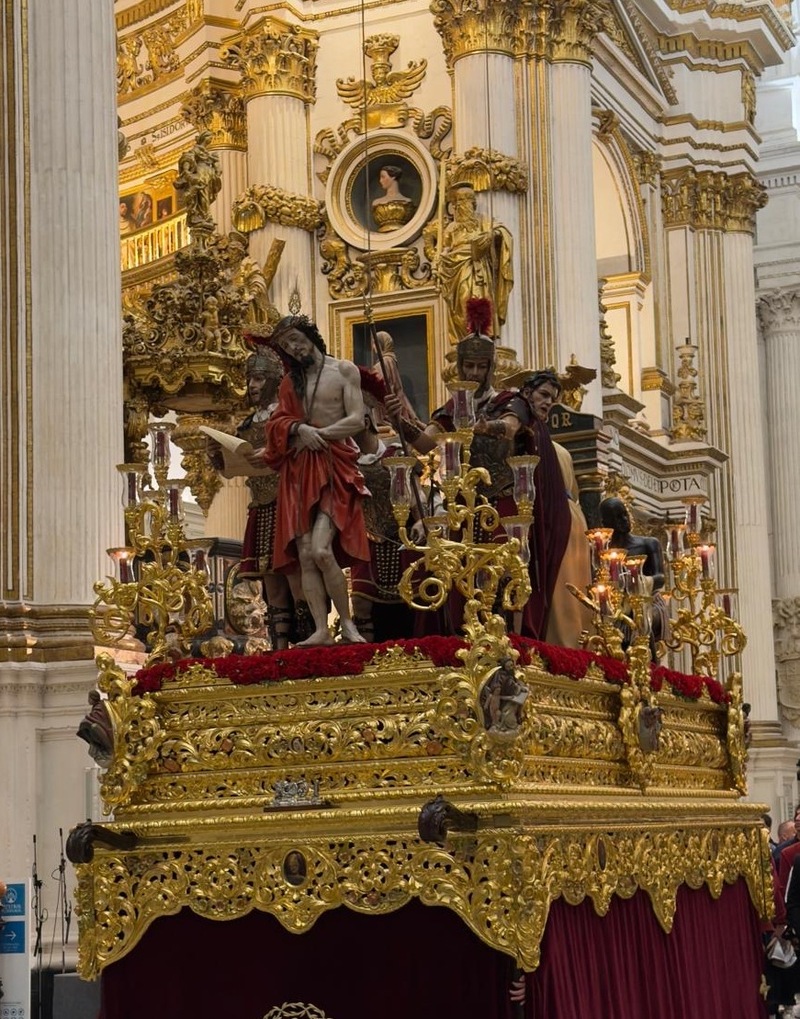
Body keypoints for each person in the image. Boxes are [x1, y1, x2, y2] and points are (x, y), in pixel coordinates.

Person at [386, 300, 540, 635]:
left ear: (490, 368)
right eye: (467, 367)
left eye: (479, 367)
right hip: (463, 504)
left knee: (506, 571)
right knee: (458, 573)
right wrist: (400, 419)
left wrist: (474, 425)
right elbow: (425, 443)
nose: (472, 373)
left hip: (503, 501)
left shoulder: (510, 402)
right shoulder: (450, 409)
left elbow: (511, 428)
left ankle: (508, 635)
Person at [265, 315, 370, 646]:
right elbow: (277, 422)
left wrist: (319, 435)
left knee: (323, 551)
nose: (294, 348)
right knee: (307, 554)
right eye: (286, 346)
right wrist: (299, 429)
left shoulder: (343, 371)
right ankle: (320, 629)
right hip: (299, 471)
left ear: (310, 335)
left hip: (334, 462)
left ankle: (348, 624)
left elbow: (356, 420)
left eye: (296, 339)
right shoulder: (289, 383)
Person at [208, 335, 311, 649]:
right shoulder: (247, 423)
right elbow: (231, 469)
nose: (251, 385)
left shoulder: (287, 416)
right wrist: (216, 453)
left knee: (292, 572)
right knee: (270, 577)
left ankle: (309, 639)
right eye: (249, 379)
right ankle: (278, 645)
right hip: (261, 503)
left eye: (258, 378)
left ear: (274, 381)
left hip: (288, 501)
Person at [434, 184, 513, 345]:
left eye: (467, 201)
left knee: (479, 298)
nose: (463, 206)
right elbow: (445, 249)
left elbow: (502, 231)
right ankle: (465, 337)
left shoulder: (483, 221)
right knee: (462, 302)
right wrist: (439, 261)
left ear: (473, 204)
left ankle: (482, 336)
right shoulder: (451, 228)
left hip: (478, 268)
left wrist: (493, 234)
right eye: (460, 202)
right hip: (457, 269)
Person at [599, 495, 668, 658]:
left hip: (649, 601)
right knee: (606, 620)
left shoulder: (649, 543)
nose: (624, 520)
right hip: (618, 604)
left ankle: (649, 667)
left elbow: (660, 578)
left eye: (625, 514)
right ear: (606, 524)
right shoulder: (604, 553)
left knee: (639, 616)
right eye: (618, 517)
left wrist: (637, 583)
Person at [371, 165, 415, 232]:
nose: (380, 181)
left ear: (393, 177)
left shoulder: (407, 202)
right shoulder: (376, 203)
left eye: (383, 177)